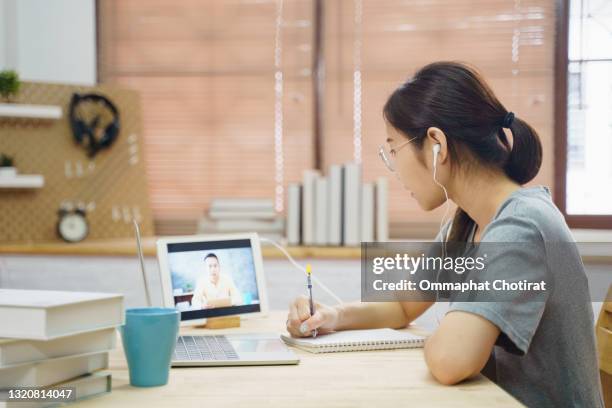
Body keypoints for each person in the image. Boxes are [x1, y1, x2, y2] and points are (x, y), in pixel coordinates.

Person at [286, 62, 604, 407]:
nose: (393, 168)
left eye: (394, 149)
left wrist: (443, 335)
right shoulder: (468, 221)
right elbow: (403, 304)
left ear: (437, 144)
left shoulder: (522, 226)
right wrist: (332, 317)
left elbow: (450, 361)